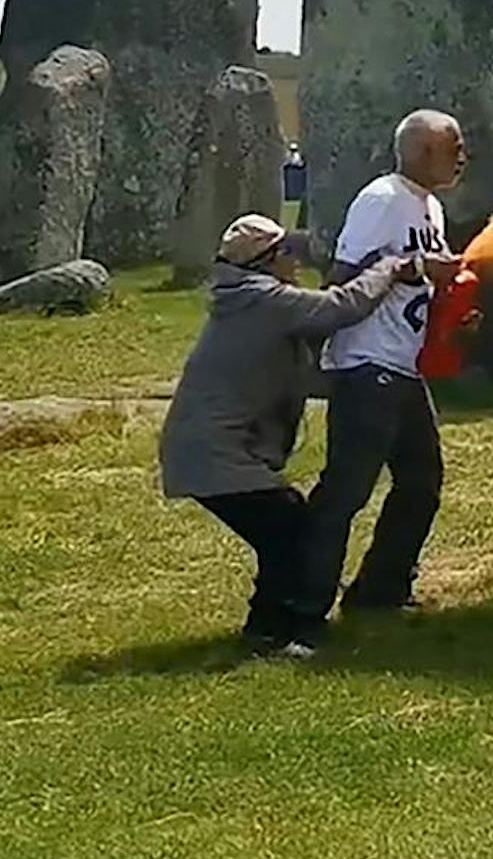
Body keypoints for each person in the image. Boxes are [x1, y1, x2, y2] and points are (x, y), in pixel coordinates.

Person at [157, 214, 420, 657]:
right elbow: (340, 308)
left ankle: (267, 628)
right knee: (292, 532)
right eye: (287, 253)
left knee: (286, 530)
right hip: (216, 453)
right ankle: (274, 633)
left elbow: (306, 375)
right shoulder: (263, 300)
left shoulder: (249, 302)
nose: (295, 262)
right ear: (266, 261)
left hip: (207, 448)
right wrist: (391, 267)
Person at [294, 110, 466, 638]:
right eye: (452, 146)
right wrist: (316, 356)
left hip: (402, 367)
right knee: (346, 491)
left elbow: (414, 283)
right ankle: (299, 608)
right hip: (367, 365)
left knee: (421, 482)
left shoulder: (429, 207)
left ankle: (379, 591)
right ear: (419, 151)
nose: (462, 156)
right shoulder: (383, 200)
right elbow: (343, 278)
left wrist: (449, 310)